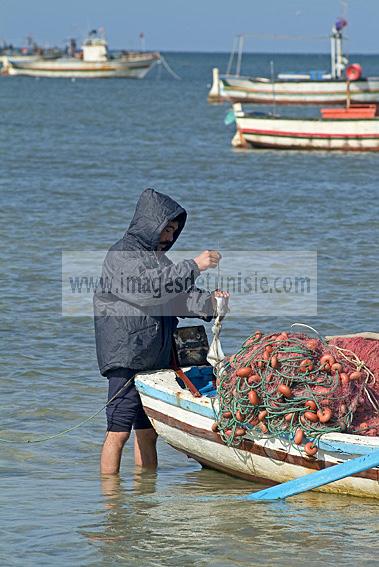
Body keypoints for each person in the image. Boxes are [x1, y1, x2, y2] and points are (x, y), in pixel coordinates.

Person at [94, 188, 228, 475]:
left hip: (156, 358)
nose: (169, 237)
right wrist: (195, 265)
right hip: (127, 357)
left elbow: (177, 296)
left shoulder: (158, 261)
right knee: (118, 431)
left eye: (174, 231)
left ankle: (145, 496)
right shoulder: (122, 255)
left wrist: (210, 304)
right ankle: (110, 505)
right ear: (149, 224)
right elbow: (151, 289)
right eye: (166, 229)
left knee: (147, 431)